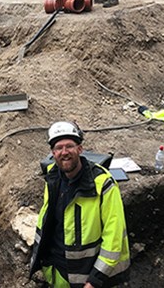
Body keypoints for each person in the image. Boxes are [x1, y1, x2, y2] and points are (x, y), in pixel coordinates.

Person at [30, 121, 130, 288]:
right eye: (58, 148)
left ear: (80, 149)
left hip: (86, 276)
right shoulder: (52, 177)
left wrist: (94, 280)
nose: (64, 152)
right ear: (53, 153)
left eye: (69, 146)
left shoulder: (102, 184)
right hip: (56, 270)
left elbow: (114, 238)